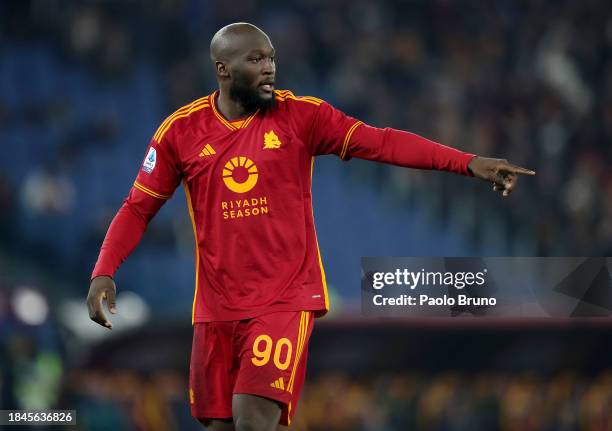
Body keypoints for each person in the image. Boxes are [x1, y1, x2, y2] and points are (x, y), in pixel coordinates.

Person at [86, 22, 535, 431]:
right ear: (222, 69)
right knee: (223, 426)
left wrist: (467, 162)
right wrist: (104, 270)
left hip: (284, 298)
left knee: (251, 419)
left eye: (271, 58)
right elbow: (137, 208)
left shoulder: (302, 116)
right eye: (255, 60)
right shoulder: (180, 132)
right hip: (216, 306)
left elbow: (380, 142)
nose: (269, 68)